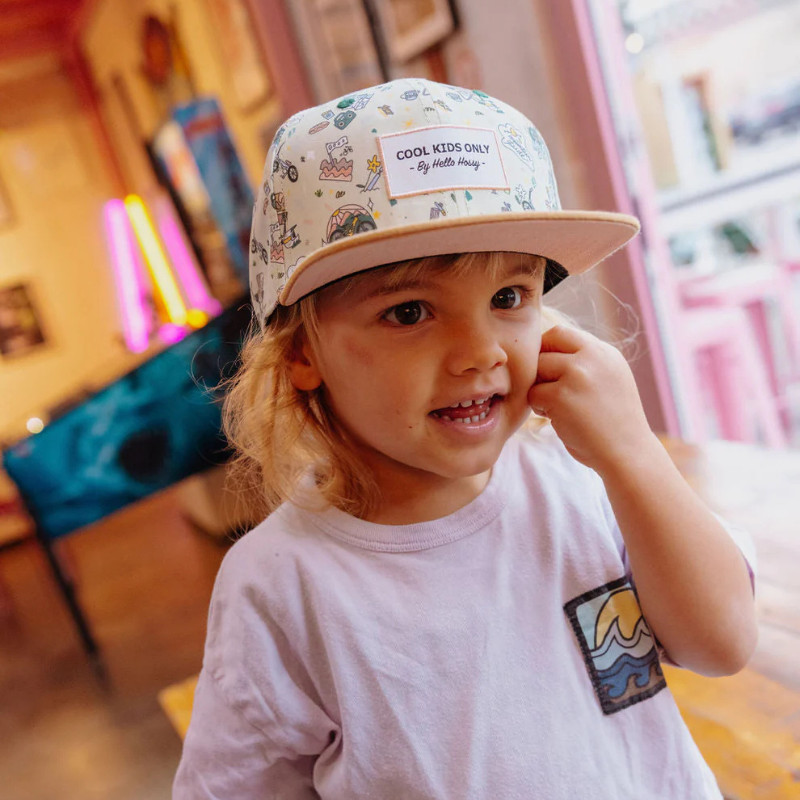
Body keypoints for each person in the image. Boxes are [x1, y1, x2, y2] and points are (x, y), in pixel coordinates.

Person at [173, 79, 757, 799]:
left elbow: (721, 643)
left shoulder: (583, 478)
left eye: (508, 297)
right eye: (409, 311)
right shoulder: (280, 585)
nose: (480, 351)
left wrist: (633, 455)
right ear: (301, 353)